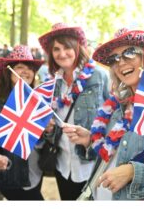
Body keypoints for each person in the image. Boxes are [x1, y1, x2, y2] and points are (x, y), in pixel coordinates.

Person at [63, 28, 144, 200]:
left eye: (129, 52)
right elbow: (113, 152)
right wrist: (90, 140)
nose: (120, 62)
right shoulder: (118, 105)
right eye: (114, 58)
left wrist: (133, 172)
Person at [38, 23, 110, 200]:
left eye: (67, 47)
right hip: (63, 166)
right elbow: (55, 124)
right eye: (56, 49)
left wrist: (92, 140)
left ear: (78, 47)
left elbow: (116, 119)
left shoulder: (99, 76)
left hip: (91, 165)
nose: (62, 54)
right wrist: (48, 129)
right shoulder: (53, 83)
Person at [0, 45, 45, 200]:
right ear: (8, 73)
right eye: (20, 67)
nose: (26, 71)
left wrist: (48, 132)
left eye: (30, 68)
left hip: (35, 175)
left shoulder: (37, 103)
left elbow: (41, 142)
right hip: (14, 180)